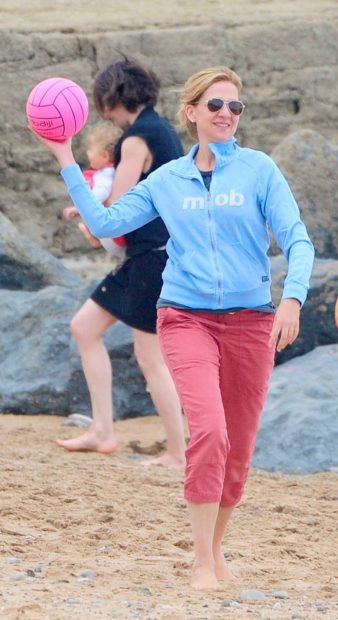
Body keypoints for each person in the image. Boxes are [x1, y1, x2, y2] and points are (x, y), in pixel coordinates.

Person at [33, 66, 315, 589]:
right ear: (192, 113)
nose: (227, 114)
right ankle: (202, 563)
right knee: (207, 431)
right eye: (215, 106)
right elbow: (106, 223)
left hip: (252, 321)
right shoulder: (166, 181)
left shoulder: (259, 171)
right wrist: (65, 158)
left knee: (238, 446)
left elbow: (297, 240)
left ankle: (216, 552)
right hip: (185, 316)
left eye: (235, 107)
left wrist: (292, 299)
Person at [56, 57, 187, 470]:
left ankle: (179, 453)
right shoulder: (162, 129)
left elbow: (118, 205)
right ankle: (103, 431)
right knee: (85, 327)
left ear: (111, 98)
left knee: (151, 358)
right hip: (154, 255)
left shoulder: (136, 139)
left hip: (154, 258)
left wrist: (93, 225)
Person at [66, 121, 126, 259]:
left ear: (104, 156)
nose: (87, 153)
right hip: (115, 235)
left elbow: (102, 192)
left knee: (90, 216)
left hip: (113, 237)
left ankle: (95, 238)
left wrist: (79, 207)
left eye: (90, 149)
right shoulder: (108, 171)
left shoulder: (108, 173)